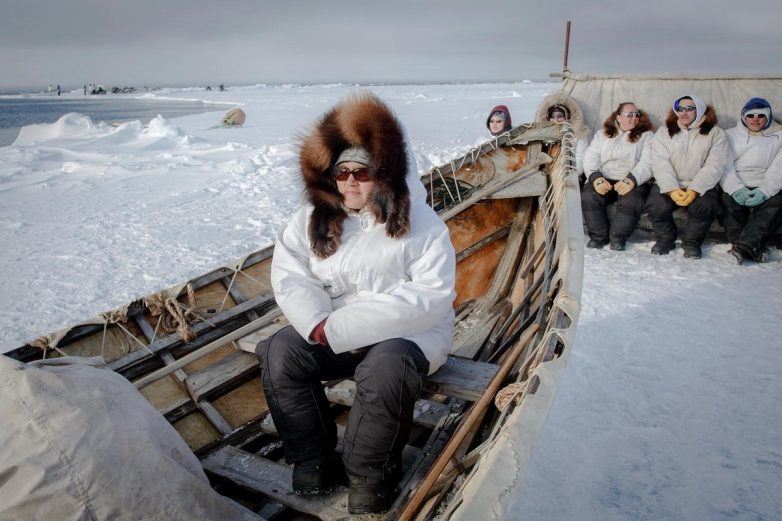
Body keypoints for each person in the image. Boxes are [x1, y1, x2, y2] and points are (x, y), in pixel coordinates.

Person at [257, 93, 456, 514]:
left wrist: (340, 329)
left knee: (386, 367)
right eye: (341, 171)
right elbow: (292, 274)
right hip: (332, 331)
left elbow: (430, 297)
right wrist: (316, 324)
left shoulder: (422, 225)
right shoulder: (312, 219)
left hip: (410, 335)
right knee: (280, 351)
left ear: (383, 174)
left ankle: (369, 474)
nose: (350, 180)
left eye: (361, 171)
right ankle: (312, 460)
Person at [646, 94, 729, 258]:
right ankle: (665, 239)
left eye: (690, 109)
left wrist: (695, 189)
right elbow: (660, 162)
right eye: (680, 109)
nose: (684, 113)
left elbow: (715, 165)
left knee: (704, 206)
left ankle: (692, 242)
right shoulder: (664, 132)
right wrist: (671, 189)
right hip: (671, 182)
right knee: (656, 204)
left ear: (699, 110)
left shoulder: (715, 133)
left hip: (700, 184)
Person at [581, 102, 655, 250]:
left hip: (631, 179)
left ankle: (618, 238)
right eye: (629, 115)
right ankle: (598, 237)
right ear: (618, 117)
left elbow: (649, 162)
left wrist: (632, 180)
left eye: (636, 114)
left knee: (632, 201)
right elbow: (591, 157)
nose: (634, 118)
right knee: (589, 196)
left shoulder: (647, 136)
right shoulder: (602, 134)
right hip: (605, 177)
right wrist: (595, 177)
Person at [721, 97, 782, 264]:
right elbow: (724, 165)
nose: (756, 119)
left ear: (768, 117)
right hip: (738, 180)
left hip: (764, 182)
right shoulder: (729, 135)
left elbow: (778, 169)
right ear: (743, 116)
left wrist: (764, 191)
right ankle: (753, 247)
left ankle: (741, 248)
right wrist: (735, 188)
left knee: (775, 204)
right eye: (751, 115)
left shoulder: (779, 136)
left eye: (761, 115)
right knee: (728, 203)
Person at [535, 93, 590, 180]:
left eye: (560, 116)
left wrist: (569, 174)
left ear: (567, 117)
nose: (556, 120)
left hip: (571, 175)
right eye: (552, 117)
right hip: (547, 174)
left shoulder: (578, 135)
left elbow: (581, 159)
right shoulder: (543, 136)